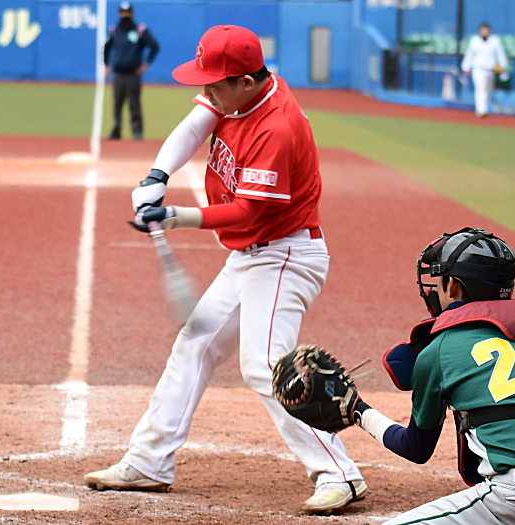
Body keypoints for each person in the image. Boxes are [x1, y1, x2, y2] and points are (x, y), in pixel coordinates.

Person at [84, 24, 367, 515]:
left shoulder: (277, 127)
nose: (208, 92)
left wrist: (174, 215)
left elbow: (247, 211)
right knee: (194, 344)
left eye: (215, 85)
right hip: (251, 256)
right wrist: (156, 177)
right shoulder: (238, 94)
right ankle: (149, 461)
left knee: (266, 365)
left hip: (284, 257)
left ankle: (339, 473)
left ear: (247, 81)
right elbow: (195, 125)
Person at [352, 227, 515, 524]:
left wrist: (357, 410)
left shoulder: (438, 350)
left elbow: (416, 448)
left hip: (514, 497)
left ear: (453, 287)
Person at [103, 2, 159, 140]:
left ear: (132, 13)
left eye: (127, 12)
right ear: (119, 14)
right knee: (117, 103)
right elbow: (106, 48)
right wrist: (106, 65)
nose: (125, 14)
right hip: (118, 73)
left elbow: (154, 46)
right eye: (122, 12)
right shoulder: (115, 30)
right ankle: (116, 129)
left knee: (134, 103)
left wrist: (146, 63)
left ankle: (137, 131)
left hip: (133, 74)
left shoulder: (140, 30)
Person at [461, 23, 508, 117]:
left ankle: (484, 108)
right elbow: (469, 55)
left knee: (488, 90)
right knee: (480, 88)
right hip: (478, 69)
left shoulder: (495, 41)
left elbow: (500, 54)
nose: (485, 33)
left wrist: (503, 65)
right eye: (483, 31)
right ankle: (481, 110)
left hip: (490, 70)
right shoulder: (475, 41)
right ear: (480, 31)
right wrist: (466, 67)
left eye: (486, 31)